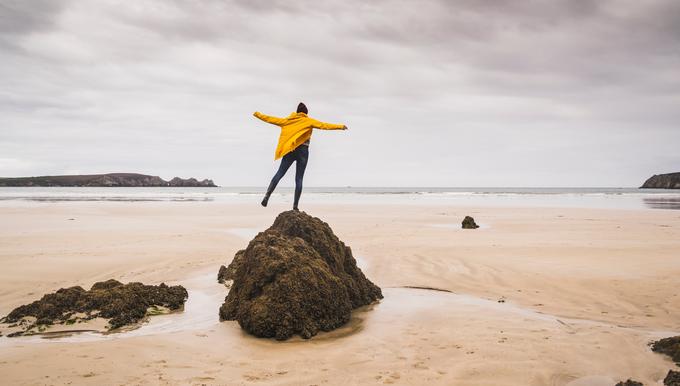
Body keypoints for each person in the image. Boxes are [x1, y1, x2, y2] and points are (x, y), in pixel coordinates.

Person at [254, 102, 347, 210]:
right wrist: (340, 126)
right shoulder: (308, 121)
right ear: (306, 113)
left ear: (297, 112)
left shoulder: (288, 121)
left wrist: (257, 114)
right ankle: (295, 206)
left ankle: (267, 196)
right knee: (299, 179)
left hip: (290, 149)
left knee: (279, 173)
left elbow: (270, 119)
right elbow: (324, 125)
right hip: (303, 151)